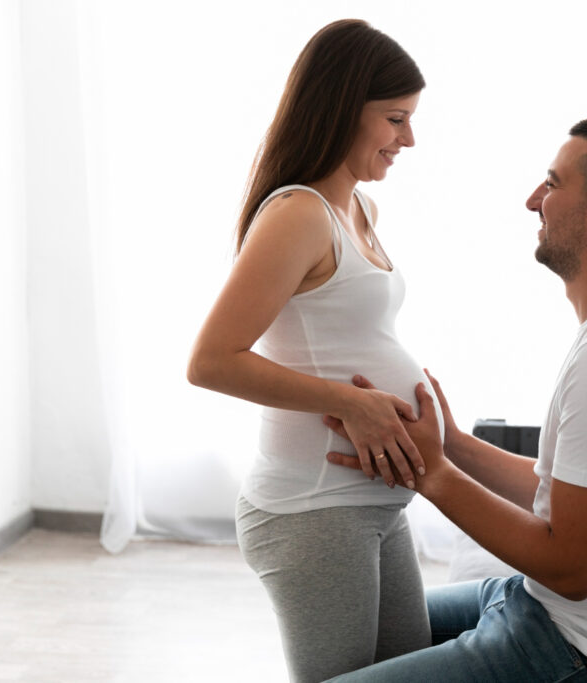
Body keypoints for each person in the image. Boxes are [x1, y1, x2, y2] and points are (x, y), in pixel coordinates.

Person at [324, 117, 587, 682]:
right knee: (357, 631)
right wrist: (455, 446)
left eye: (553, 184)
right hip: (541, 610)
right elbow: (565, 492)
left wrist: (433, 473)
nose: (533, 200)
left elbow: (572, 568)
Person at [186, 19, 441, 683]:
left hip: (370, 505)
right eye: (395, 118)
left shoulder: (359, 209)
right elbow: (211, 359)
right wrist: (348, 404)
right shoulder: (298, 214)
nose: (408, 139)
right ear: (342, 107)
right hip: (314, 508)